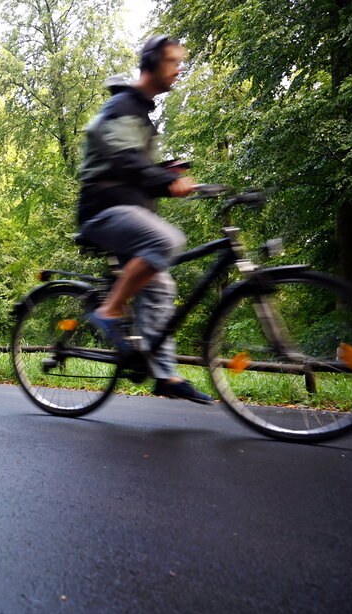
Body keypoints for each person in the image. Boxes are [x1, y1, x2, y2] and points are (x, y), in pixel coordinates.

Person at [77, 35, 213, 404]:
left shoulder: (141, 116)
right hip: (102, 210)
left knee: (161, 288)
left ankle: (165, 375)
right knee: (166, 241)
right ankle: (109, 310)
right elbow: (124, 161)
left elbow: (138, 173)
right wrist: (167, 179)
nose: (178, 69)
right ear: (152, 63)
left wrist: (171, 176)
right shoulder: (122, 106)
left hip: (129, 212)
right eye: (173, 62)